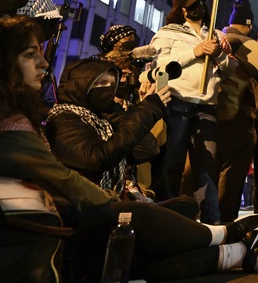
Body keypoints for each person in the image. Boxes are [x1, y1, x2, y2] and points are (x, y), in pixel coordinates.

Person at [0, 16, 258, 283]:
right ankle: (231, 232)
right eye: (30, 54)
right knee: (131, 217)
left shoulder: (90, 116)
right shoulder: (38, 120)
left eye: (114, 81)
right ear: (3, 65)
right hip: (52, 231)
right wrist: (146, 111)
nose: (43, 62)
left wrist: (126, 112)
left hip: (54, 229)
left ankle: (241, 252)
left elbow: (146, 148)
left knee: (149, 249)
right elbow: (73, 175)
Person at [150, 0, 236, 223]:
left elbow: (232, 69)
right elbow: (159, 70)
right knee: (172, 164)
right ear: (182, 10)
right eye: (193, 4)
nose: (200, 7)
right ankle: (168, 220)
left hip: (206, 105)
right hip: (176, 103)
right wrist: (194, 52)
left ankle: (211, 223)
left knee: (207, 166)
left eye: (202, 2)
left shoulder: (216, 35)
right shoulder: (167, 34)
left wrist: (218, 54)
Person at [44, 57, 167, 197]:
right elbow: (98, 159)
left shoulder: (101, 119)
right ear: (81, 85)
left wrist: (114, 114)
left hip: (109, 198)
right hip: (82, 201)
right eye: (102, 83)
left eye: (111, 85)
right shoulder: (64, 118)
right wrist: (146, 111)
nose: (108, 90)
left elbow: (146, 149)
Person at [216, 0, 258, 222]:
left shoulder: (215, 38)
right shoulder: (244, 43)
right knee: (233, 172)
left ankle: (206, 220)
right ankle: (226, 221)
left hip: (211, 114)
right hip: (238, 115)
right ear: (248, 24)